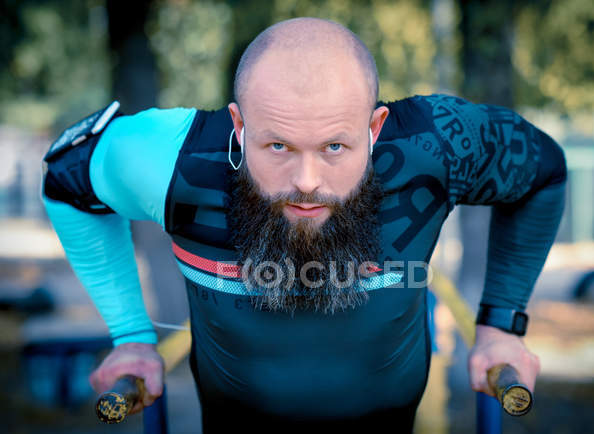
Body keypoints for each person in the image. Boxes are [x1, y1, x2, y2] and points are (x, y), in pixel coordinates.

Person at [42, 17, 565, 433]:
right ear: (239, 126)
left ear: (375, 126)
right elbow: (67, 177)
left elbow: (543, 171)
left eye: (335, 146)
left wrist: (501, 325)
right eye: (278, 146)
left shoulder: (436, 147)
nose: (308, 181)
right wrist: (131, 334)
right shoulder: (172, 161)